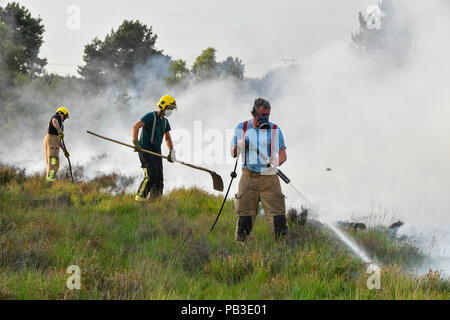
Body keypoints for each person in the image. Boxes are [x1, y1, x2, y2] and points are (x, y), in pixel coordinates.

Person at [230, 98, 288, 241]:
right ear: (253, 113)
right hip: (248, 175)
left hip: (269, 175)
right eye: (262, 115)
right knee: (245, 214)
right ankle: (243, 246)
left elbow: (283, 154)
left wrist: (275, 162)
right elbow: (233, 153)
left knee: (277, 215)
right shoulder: (241, 128)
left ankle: (281, 247)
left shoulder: (274, 129)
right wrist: (239, 146)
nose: (265, 118)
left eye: (267, 115)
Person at [132, 95, 177, 201]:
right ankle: (139, 200)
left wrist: (171, 151)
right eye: (169, 108)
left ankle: (155, 202)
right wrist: (135, 142)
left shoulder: (165, 122)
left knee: (159, 178)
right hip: (145, 149)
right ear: (163, 106)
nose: (170, 111)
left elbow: (167, 138)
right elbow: (136, 126)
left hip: (157, 151)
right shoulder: (150, 116)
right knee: (151, 175)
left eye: (172, 109)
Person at [44, 107, 70, 182]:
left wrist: (65, 151)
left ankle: (51, 179)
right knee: (53, 160)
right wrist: (59, 131)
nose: (64, 119)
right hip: (51, 140)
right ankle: (50, 180)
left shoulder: (61, 125)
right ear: (61, 113)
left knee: (56, 162)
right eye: (65, 117)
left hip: (56, 142)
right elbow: (54, 121)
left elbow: (60, 141)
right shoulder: (57, 117)